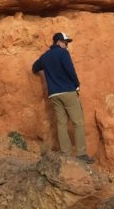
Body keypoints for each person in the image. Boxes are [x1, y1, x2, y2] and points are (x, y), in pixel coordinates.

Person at [31, 32, 94, 163]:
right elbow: (70, 69)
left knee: (61, 124)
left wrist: (48, 74)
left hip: (54, 94)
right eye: (66, 43)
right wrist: (77, 84)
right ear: (59, 42)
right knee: (78, 122)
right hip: (68, 91)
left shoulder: (45, 57)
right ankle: (81, 154)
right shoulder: (63, 53)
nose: (67, 46)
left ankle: (65, 153)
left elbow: (34, 68)